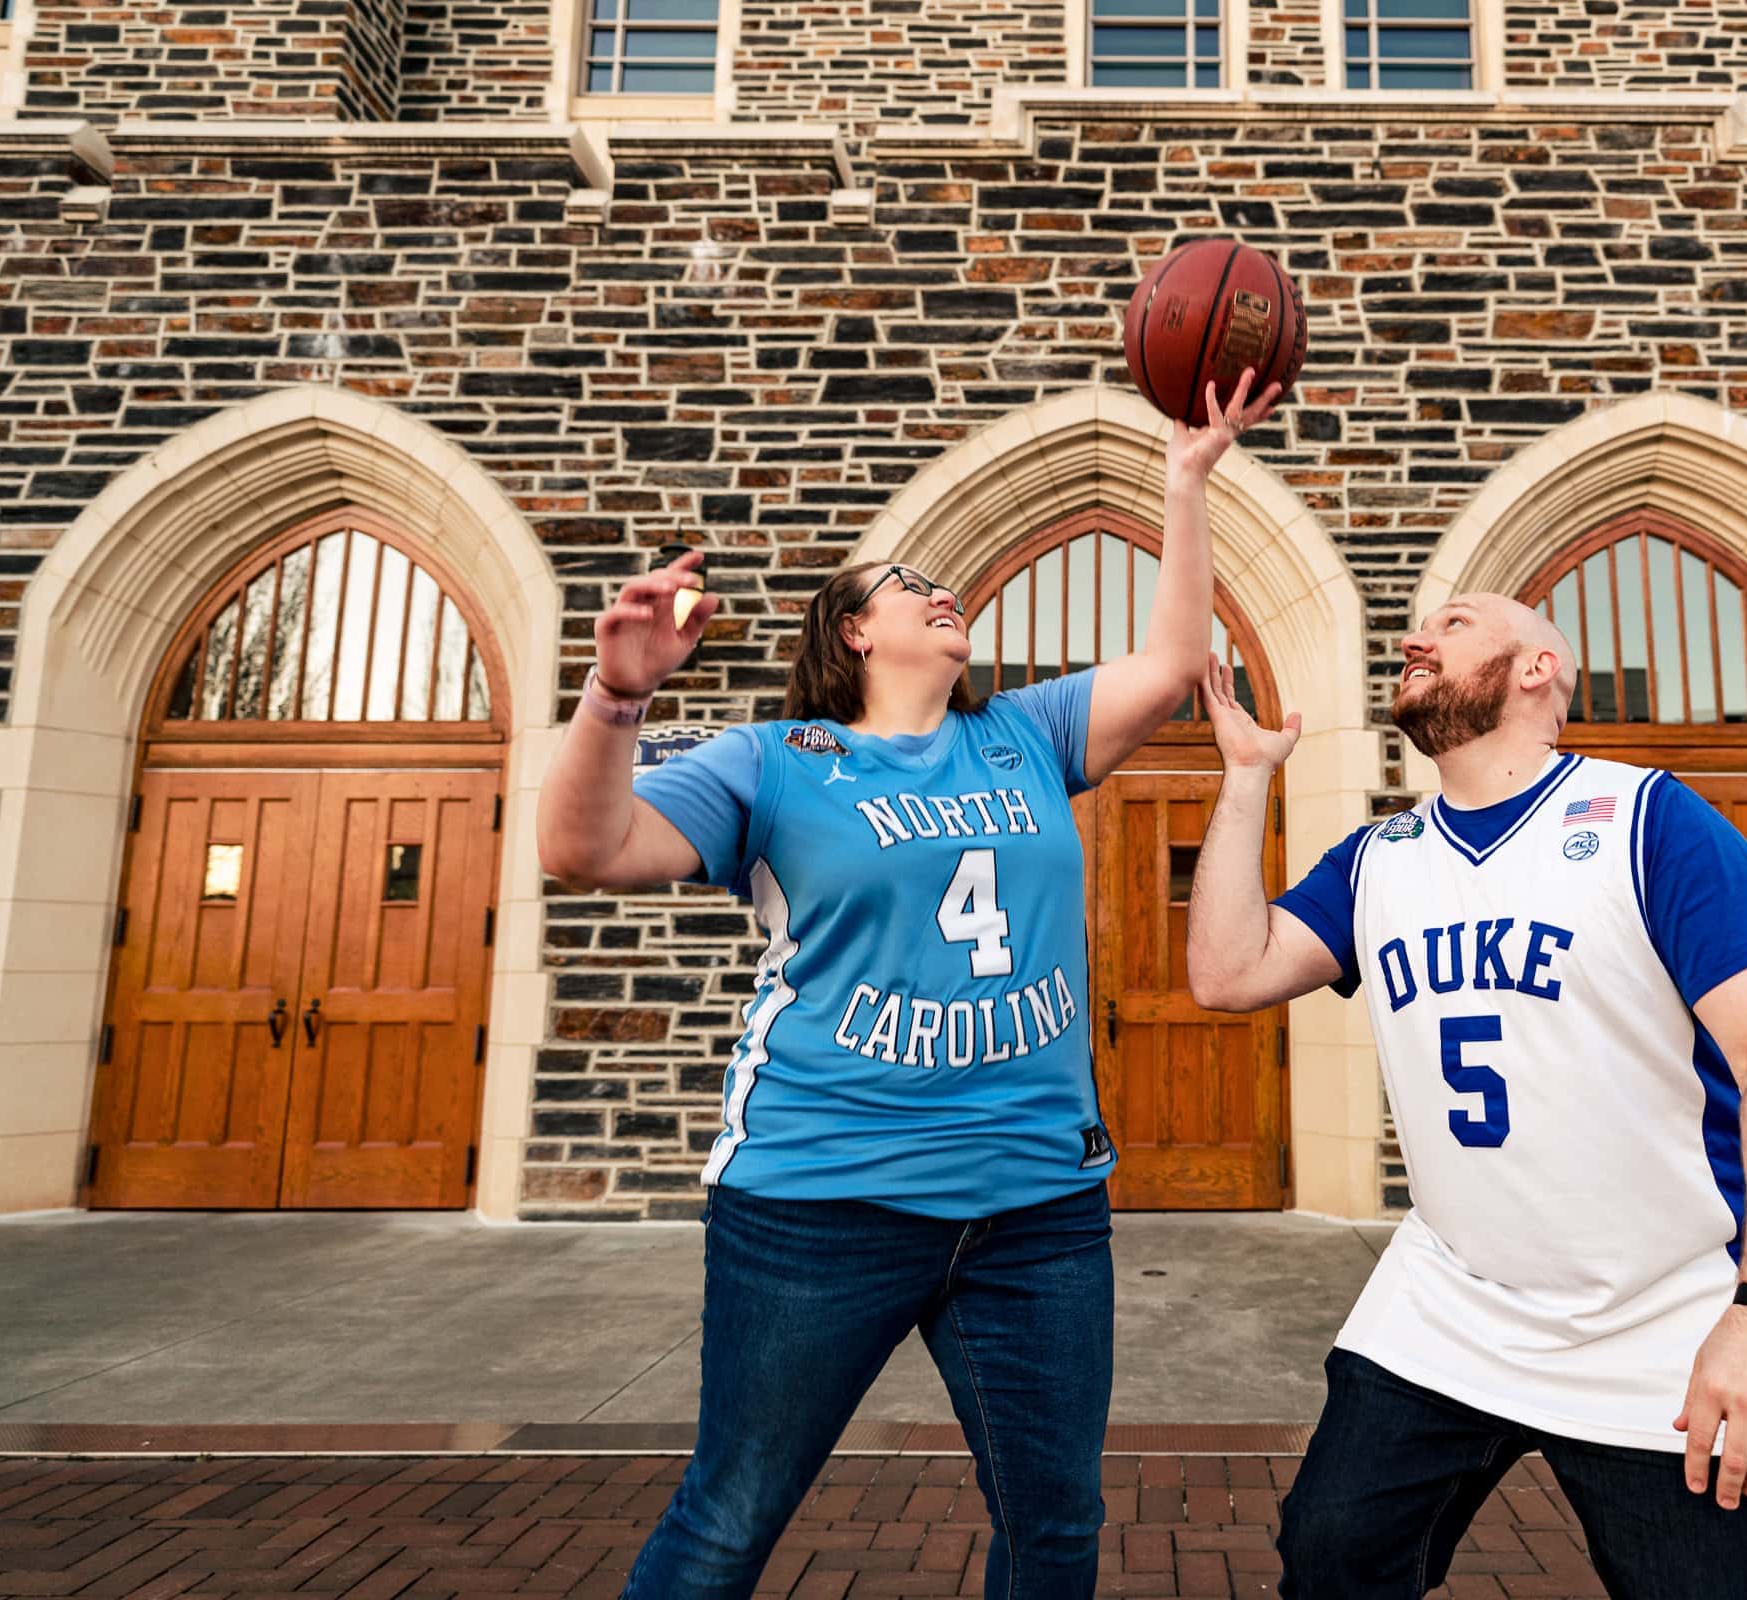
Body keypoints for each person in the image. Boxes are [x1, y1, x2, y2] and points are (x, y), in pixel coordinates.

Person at [537, 371, 1281, 1600]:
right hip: (824, 1199)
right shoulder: (771, 762)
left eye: (947, 589)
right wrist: (619, 697)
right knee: (729, 1519)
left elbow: (1173, 659)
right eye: (907, 590)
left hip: (1039, 1204)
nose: (945, 598)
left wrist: (1187, 479)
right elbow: (584, 851)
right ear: (853, 634)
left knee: (1056, 1526)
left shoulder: (1024, 736)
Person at [1185, 594, 1747, 1599]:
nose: (1415, 639)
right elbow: (1228, 973)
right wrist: (1242, 782)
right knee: (1332, 1555)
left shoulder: (1648, 819)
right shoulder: (1380, 857)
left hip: (1656, 1312)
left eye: (1450, 624)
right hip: (1455, 1299)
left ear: (1538, 668)